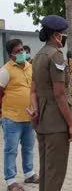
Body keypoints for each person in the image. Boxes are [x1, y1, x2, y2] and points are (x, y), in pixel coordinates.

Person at [30, 15, 72, 191]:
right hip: (56, 123)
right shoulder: (56, 56)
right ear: (56, 35)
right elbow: (59, 94)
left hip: (42, 122)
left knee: (45, 172)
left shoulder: (38, 56)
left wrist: (35, 111)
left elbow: (33, 91)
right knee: (55, 174)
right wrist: (71, 124)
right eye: (63, 34)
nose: (64, 37)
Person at [0, 39, 38, 191]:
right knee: (11, 150)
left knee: (28, 148)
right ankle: (11, 182)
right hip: (12, 118)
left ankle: (29, 174)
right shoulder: (5, 71)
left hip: (29, 117)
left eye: (22, 49)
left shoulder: (30, 67)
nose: (22, 53)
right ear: (11, 55)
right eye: (18, 51)